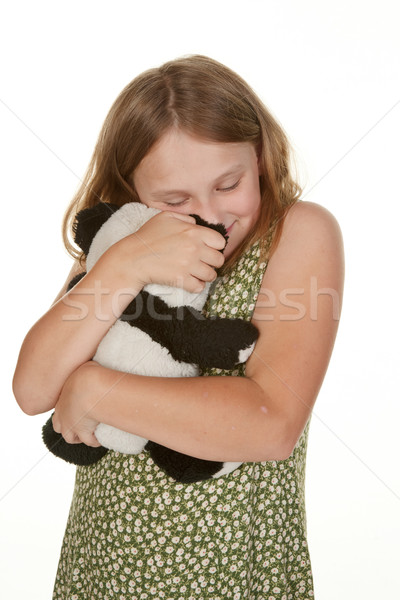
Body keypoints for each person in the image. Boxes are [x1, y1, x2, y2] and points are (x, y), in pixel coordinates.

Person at [13, 54, 344, 599]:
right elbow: (32, 389)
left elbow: (269, 425)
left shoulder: (298, 234)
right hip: (102, 572)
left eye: (228, 184)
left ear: (258, 157)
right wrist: (124, 265)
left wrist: (98, 389)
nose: (209, 215)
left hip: (237, 577)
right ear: (131, 190)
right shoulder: (122, 242)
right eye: (174, 200)